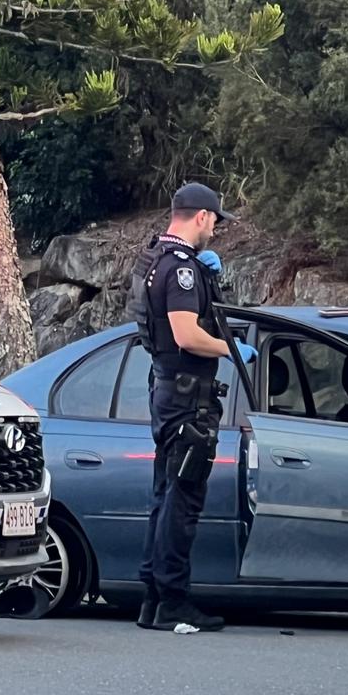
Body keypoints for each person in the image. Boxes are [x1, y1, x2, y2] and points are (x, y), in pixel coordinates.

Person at [131, 182, 256, 634]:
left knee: (165, 496)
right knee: (182, 502)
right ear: (202, 217)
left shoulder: (155, 257)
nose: (215, 232)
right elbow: (186, 334)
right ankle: (173, 600)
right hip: (186, 398)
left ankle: (153, 597)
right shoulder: (181, 267)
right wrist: (231, 349)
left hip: (168, 390)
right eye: (215, 222)